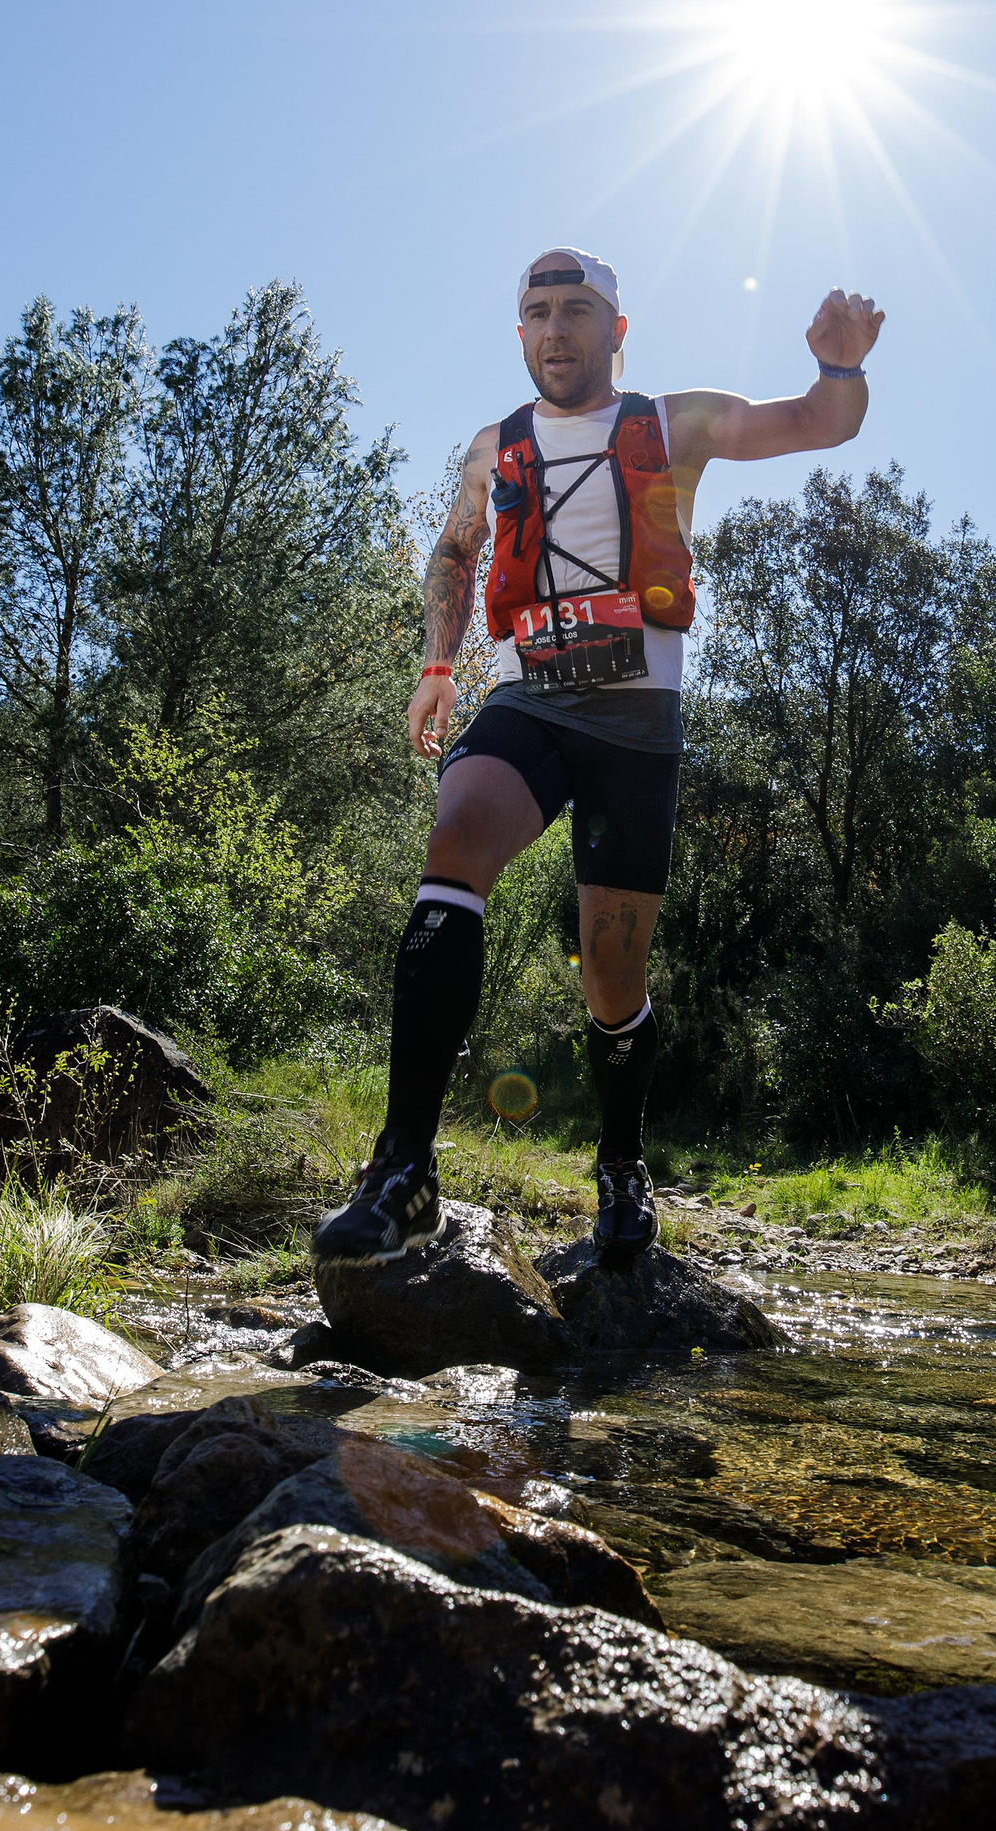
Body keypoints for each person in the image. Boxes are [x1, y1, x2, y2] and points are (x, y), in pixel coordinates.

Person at [312, 247, 883, 1268]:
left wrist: (839, 366)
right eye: (538, 312)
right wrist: (438, 665)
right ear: (520, 333)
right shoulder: (493, 447)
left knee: (611, 975)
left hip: (635, 723)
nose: (556, 329)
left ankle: (622, 1164)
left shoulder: (677, 423)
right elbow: (455, 551)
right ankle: (403, 1171)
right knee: (455, 839)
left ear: (616, 330)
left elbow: (817, 422)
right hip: (527, 700)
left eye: (576, 310)